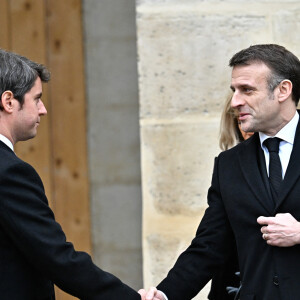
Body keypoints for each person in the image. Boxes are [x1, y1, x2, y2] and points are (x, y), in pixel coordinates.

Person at [139, 44, 300, 300]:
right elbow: (209, 246)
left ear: (283, 90)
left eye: (247, 90)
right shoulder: (229, 164)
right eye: (234, 90)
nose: (235, 101)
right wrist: (166, 294)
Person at [0, 49, 144, 300]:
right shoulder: (10, 172)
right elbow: (56, 257)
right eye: (37, 99)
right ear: (9, 101)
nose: (43, 110)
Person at [209, 93, 253, 300]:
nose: (248, 128)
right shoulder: (228, 166)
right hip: (234, 287)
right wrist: (165, 294)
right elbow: (211, 241)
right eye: (240, 118)